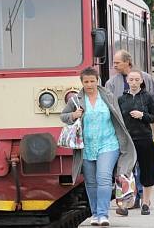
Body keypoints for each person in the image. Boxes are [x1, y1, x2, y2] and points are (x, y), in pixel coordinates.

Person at [60, 67, 136, 226]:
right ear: (81, 82)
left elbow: (118, 119)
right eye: (86, 82)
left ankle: (103, 214)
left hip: (108, 144)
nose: (89, 85)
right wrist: (73, 115)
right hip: (86, 147)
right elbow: (63, 116)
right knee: (91, 181)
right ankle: (95, 214)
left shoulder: (108, 96)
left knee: (103, 178)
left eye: (92, 81)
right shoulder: (75, 100)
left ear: (97, 81)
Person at [105, 49, 154, 209]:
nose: (114, 65)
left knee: (145, 166)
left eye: (117, 63)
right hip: (124, 135)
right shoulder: (111, 83)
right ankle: (130, 198)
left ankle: (142, 198)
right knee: (127, 168)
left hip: (144, 133)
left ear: (127, 62)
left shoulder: (147, 80)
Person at [118, 69, 154, 216]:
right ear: (127, 81)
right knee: (126, 171)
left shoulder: (147, 97)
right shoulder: (121, 99)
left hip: (144, 138)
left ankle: (146, 202)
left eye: (137, 79)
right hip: (128, 140)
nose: (134, 82)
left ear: (142, 81)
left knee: (147, 170)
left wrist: (142, 115)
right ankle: (128, 201)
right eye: (131, 79)